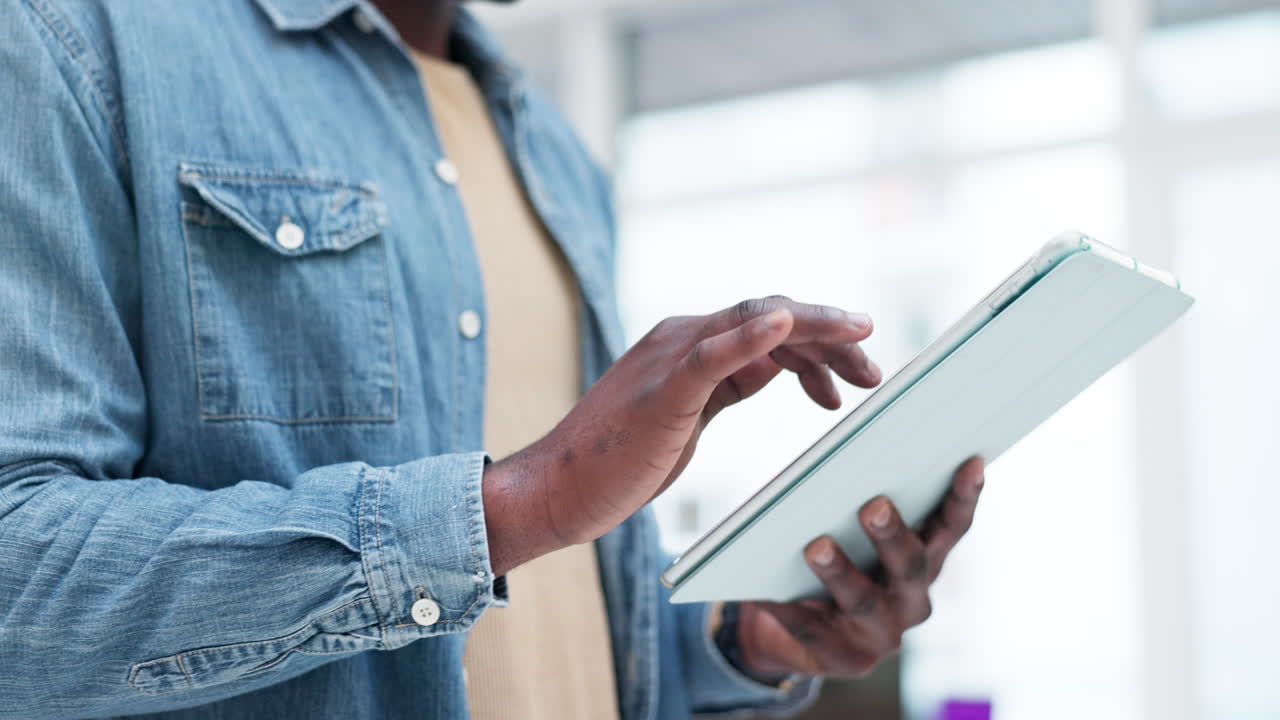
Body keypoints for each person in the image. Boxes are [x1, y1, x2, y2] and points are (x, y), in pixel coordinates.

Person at [0, 0, 986, 718]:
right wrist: (524, 501)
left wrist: (742, 637)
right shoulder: (75, 42)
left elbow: (550, 611)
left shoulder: (556, 155)